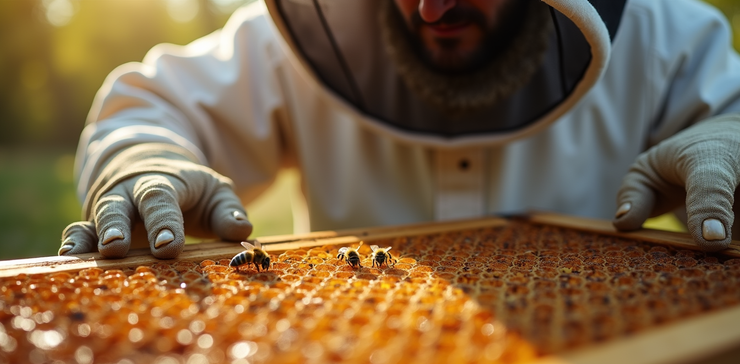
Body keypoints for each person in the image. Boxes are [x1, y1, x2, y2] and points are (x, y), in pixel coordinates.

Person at [59, 0, 740, 259]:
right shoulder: (283, 47)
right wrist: (143, 159)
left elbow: (731, 110)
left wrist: (729, 140)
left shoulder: (666, 38)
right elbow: (154, 107)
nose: (430, 5)